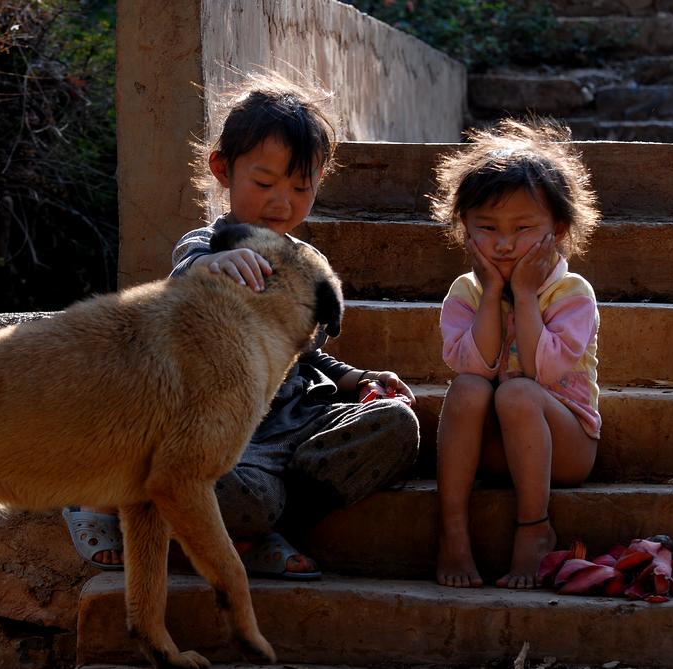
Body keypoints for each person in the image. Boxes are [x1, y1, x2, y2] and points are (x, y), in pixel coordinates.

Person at [64, 73, 420, 580]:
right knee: (228, 485)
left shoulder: (307, 263)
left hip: (293, 429)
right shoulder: (209, 246)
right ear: (222, 169)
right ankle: (223, 521)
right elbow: (182, 283)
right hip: (223, 437)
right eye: (265, 183)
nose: (283, 203)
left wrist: (356, 379)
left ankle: (256, 525)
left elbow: (305, 351)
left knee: (397, 426)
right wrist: (216, 268)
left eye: (302, 186)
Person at [430, 118, 602, 589]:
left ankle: (534, 529)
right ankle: (453, 530)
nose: (504, 243)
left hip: (564, 445)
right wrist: (491, 297)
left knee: (519, 393)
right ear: (464, 228)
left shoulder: (570, 293)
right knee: (466, 389)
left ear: (559, 229)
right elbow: (472, 366)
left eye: (523, 228)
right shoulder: (466, 293)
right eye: (487, 228)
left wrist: (524, 297)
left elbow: (543, 371)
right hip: (492, 448)